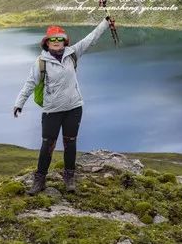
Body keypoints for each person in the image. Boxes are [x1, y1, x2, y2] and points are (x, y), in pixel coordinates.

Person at [13, 16, 112, 195]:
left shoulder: (72, 53)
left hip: (74, 108)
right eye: (53, 39)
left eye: (60, 39)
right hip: (52, 111)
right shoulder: (41, 63)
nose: (57, 42)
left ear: (64, 41)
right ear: (47, 43)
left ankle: (69, 177)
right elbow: (30, 83)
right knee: (47, 145)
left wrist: (105, 23)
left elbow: (91, 39)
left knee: (70, 143)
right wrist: (19, 103)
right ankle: (40, 179)